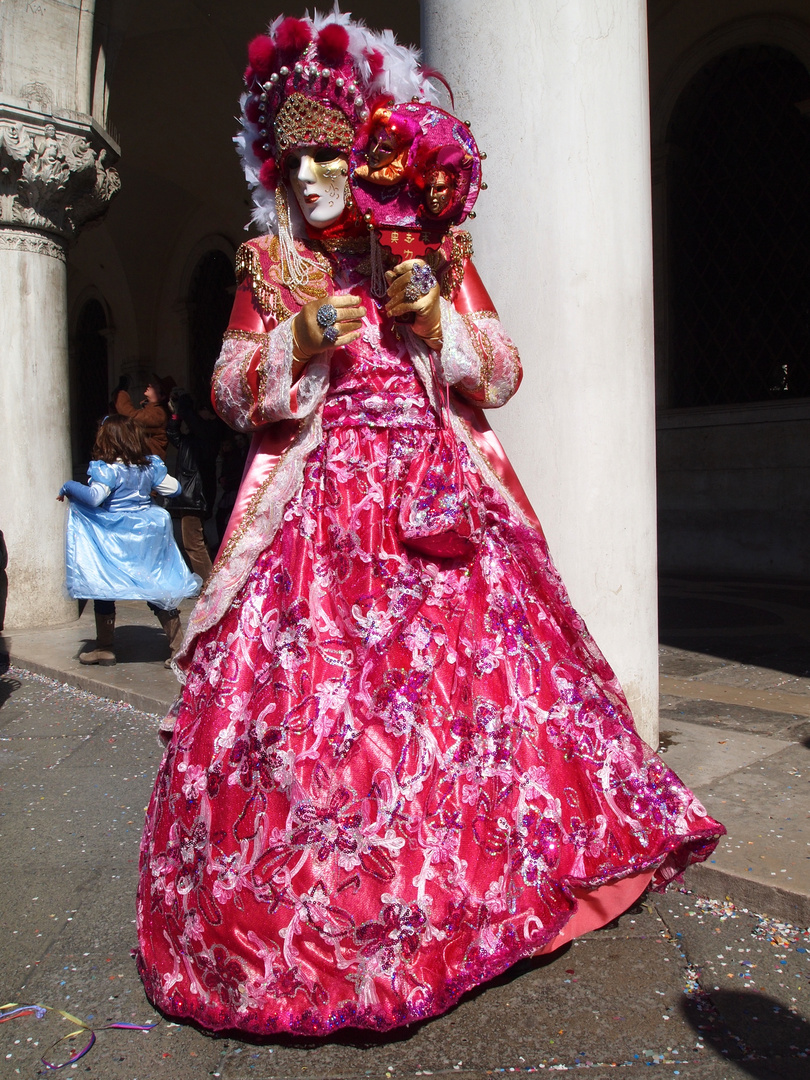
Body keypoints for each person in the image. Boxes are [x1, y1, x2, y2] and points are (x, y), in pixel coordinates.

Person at [137, 11, 723, 1037]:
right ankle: (343, 915)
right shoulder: (272, 271)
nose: (313, 179)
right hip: (315, 528)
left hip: (440, 513)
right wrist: (298, 342)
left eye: (330, 155)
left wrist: (434, 319)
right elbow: (232, 393)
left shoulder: (426, 247)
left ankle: (481, 891)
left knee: (469, 709)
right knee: (323, 737)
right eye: (294, 162)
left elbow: (500, 370)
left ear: (363, 154)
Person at [58, 415, 200, 667]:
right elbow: (175, 489)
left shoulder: (107, 469)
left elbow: (93, 497)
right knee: (156, 586)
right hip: (146, 533)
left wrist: (69, 486)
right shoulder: (149, 466)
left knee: (103, 584)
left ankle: (105, 648)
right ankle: (178, 648)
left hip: (116, 536)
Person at [165, 387, 223, 586]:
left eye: (202, 410)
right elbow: (173, 434)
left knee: (192, 543)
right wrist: (175, 414)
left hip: (197, 495)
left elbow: (197, 425)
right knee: (198, 539)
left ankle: (208, 586)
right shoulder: (191, 440)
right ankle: (210, 582)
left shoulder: (212, 431)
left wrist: (185, 404)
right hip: (188, 494)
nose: (199, 414)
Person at [112, 374, 174, 460]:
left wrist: (120, 392)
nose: (150, 385)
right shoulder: (151, 409)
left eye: (155, 386)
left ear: (162, 396)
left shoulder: (159, 414)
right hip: (145, 461)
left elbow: (131, 416)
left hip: (151, 464)